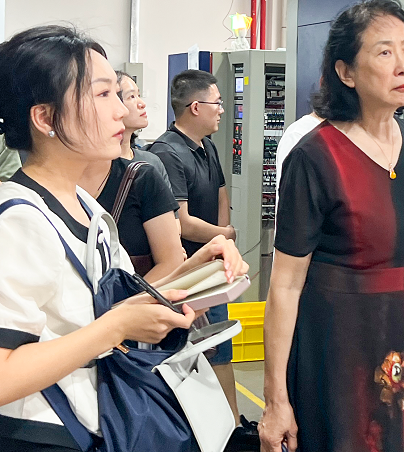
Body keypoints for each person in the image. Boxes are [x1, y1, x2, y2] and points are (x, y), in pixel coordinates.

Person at [0, 25, 247, 452]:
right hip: (44, 434)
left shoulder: (85, 206)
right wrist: (115, 328)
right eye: (102, 95)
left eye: (118, 94)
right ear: (45, 118)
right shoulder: (18, 220)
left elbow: (113, 305)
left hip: (95, 423)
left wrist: (197, 268)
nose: (121, 111)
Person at [259, 0, 404, 452]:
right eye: (384, 52)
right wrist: (275, 398)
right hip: (336, 351)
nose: (403, 64)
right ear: (346, 73)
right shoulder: (314, 157)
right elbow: (285, 285)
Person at [148, 69, 240, 423]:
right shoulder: (167, 152)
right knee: (190, 359)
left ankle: (231, 428)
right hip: (187, 277)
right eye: (217, 103)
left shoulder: (208, 146)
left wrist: (222, 234)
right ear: (196, 107)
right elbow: (183, 222)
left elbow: (220, 193)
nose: (222, 110)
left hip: (214, 268)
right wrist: (223, 236)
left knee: (221, 351)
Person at [77, 73, 185, 282]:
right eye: (104, 95)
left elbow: (171, 258)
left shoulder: (146, 171)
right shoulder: (48, 187)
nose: (122, 110)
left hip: (137, 295)